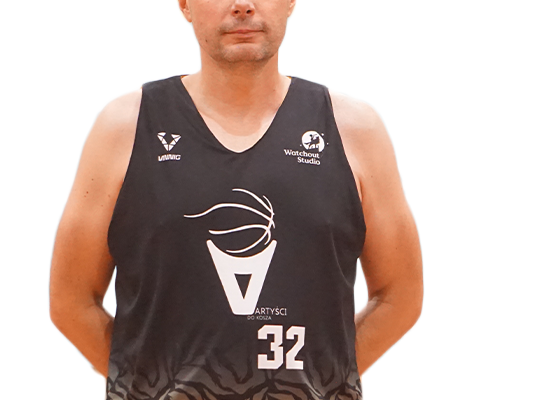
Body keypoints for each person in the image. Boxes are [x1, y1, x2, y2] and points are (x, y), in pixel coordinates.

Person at [48, 1, 424, 399]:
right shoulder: (122, 126)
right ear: (185, 4)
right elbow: (70, 301)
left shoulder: (357, 129)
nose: (243, 5)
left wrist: (324, 379)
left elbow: (400, 297)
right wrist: (144, 384)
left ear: (291, 2)